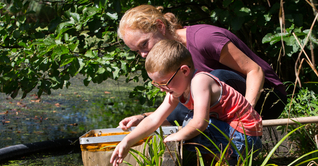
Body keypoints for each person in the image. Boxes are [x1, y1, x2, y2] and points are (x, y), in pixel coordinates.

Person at [117, 4, 287, 130]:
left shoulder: (204, 39)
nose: (143, 54)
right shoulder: (172, 57)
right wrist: (143, 118)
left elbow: (254, 71)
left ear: (160, 26)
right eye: (137, 51)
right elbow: (175, 102)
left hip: (268, 98)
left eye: (144, 44)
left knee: (209, 79)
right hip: (224, 103)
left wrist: (248, 113)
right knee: (186, 93)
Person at [110, 39, 262, 166]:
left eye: (165, 83)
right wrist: (127, 142)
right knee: (187, 128)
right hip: (229, 133)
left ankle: (232, 161)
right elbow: (154, 119)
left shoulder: (200, 81)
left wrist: (176, 136)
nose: (163, 89)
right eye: (157, 85)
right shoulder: (176, 91)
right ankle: (227, 162)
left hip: (246, 137)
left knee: (189, 122)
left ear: (184, 71)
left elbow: (200, 123)